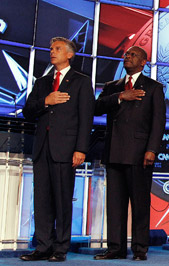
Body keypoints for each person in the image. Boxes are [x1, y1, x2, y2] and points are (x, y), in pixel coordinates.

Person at [21, 37, 95, 262]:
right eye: (51, 48)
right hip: (42, 148)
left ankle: (60, 248)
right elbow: (27, 111)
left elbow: (86, 118)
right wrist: (47, 101)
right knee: (41, 200)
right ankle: (43, 246)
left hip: (66, 148)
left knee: (63, 200)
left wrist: (81, 149)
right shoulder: (42, 83)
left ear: (70, 54)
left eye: (58, 49)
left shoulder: (81, 81)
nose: (52, 52)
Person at [93, 46, 166, 261]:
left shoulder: (153, 87)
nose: (127, 57)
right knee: (115, 204)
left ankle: (140, 248)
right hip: (114, 151)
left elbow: (158, 122)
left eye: (132, 55)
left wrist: (152, 149)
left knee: (140, 203)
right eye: (126, 54)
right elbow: (96, 108)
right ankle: (115, 248)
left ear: (144, 62)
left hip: (140, 153)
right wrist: (120, 96)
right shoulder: (112, 87)